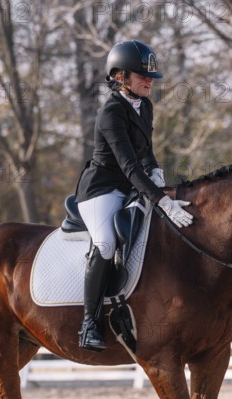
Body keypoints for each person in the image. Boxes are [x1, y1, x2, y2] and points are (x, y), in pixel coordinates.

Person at [74, 39, 193, 351]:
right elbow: (128, 165)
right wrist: (161, 199)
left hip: (130, 185)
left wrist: (158, 177)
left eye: (151, 76)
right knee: (105, 243)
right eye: (143, 76)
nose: (150, 81)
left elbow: (146, 154)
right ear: (120, 77)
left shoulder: (145, 106)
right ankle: (89, 323)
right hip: (101, 189)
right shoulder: (111, 114)